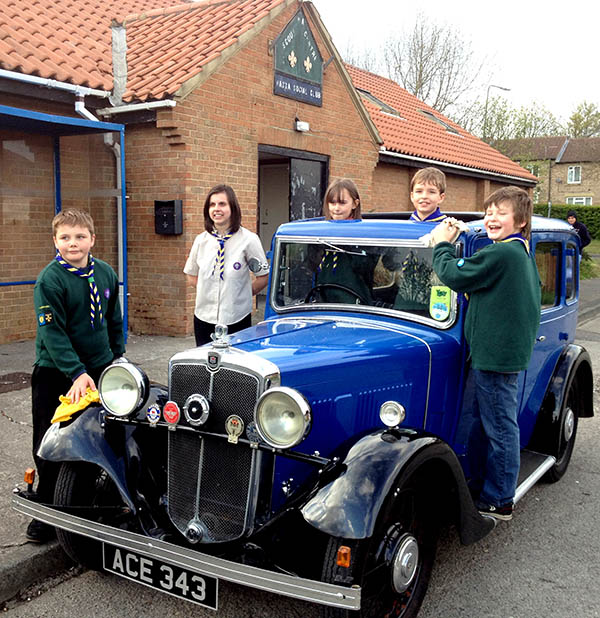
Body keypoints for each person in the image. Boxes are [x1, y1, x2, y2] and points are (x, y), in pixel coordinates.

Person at [430, 186, 541, 521]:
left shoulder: (502, 253)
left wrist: (442, 246)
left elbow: (454, 274)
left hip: (495, 355)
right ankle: (479, 482)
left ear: (520, 221)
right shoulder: (516, 251)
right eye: (489, 211)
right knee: (487, 422)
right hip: (496, 352)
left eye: (501, 213)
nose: (492, 218)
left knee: (500, 427)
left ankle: (500, 498)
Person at [28, 209, 125, 543]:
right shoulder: (50, 280)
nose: (73, 243)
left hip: (98, 369)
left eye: (80, 236)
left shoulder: (107, 274)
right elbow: (53, 334)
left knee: (100, 432)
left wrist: (117, 357)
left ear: (92, 239)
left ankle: (90, 497)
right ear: (55, 241)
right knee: (50, 438)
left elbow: (114, 318)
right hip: (57, 372)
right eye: (66, 237)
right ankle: (48, 505)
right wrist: (76, 373)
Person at [184, 184, 269, 346]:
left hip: (236, 317)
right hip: (204, 317)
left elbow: (263, 277)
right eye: (212, 204)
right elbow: (191, 274)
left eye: (222, 204)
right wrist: (207, 290)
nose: (217, 209)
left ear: (233, 208)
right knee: (205, 364)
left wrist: (240, 293)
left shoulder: (248, 240)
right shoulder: (201, 241)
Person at [313, 178, 378, 304]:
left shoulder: (365, 235)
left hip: (353, 303)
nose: (336, 208)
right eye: (332, 203)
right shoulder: (319, 234)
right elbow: (311, 268)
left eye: (342, 203)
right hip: (323, 301)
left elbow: (366, 268)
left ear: (355, 204)